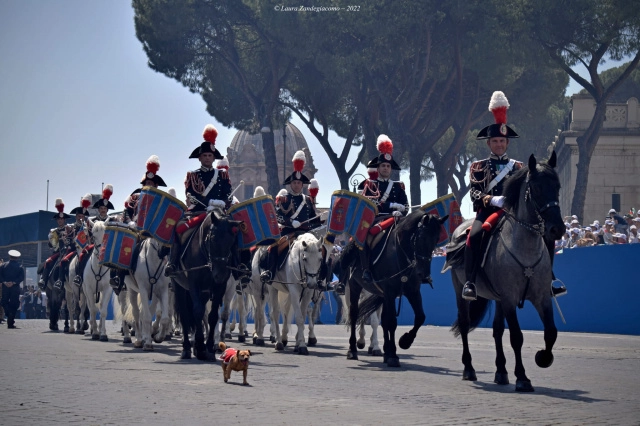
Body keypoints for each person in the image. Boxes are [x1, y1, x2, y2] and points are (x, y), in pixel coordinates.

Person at [461, 91, 566, 301]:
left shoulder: (519, 167)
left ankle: (550, 278)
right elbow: (474, 192)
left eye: (502, 141)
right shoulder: (478, 166)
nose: (499, 144)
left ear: (507, 143)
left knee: (546, 234)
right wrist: (492, 200)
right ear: (488, 144)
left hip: (515, 213)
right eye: (495, 141)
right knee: (473, 236)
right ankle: (471, 282)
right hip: (490, 211)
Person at [165, 124, 232, 277]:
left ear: (214, 158)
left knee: (234, 230)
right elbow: (190, 194)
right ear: (200, 158)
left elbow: (227, 193)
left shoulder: (222, 175)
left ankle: (239, 266)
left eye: (210, 156)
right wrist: (208, 204)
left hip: (219, 214)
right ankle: (173, 263)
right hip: (198, 213)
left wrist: (219, 203)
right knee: (178, 229)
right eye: (205, 156)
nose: (207, 158)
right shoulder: (192, 175)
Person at [260, 150, 321, 283]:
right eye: (294, 183)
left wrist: (320, 221)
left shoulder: (308, 200)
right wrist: (290, 221)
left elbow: (313, 218)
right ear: (290, 184)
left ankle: (322, 279)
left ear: (302, 184)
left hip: (306, 233)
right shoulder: (284, 199)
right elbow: (277, 216)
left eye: (299, 183)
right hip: (289, 232)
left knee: (321, 251)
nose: (297, 185)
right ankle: (270, 272)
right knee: (274, 247)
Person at [357, 134, 409, 284]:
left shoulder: (398, 186)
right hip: (377, 220)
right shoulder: (370, 184)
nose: (386, 168)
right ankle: (366, 269)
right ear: (378, 168)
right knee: (364, 238)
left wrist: (401, 211)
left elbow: (405, 205)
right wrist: (392, 206)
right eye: (383, 166)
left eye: (388, 166)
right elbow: (369, 204)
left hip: (398, 219)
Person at [38, 199, 73, 290]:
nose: (60, 220)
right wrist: (51, 240)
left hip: (68, 251)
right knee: (48, 261)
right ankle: (44, 280)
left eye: (62, 219)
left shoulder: (69, 229)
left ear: (64, 220)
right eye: (59, 219)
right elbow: (51, 245)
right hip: (58, 252)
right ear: (57, 220)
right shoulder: (53, 231)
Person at [1, 250, 25, 329]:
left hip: (5, 287)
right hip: (15, 287)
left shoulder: (3, 265)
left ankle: (8, 314)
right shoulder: (20, 266)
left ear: (9, 256)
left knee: (4, 302)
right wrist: (13, 282)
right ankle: (10, 321)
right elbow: (21, 277)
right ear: (17, 257)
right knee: (14, 304)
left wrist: (5, 282)